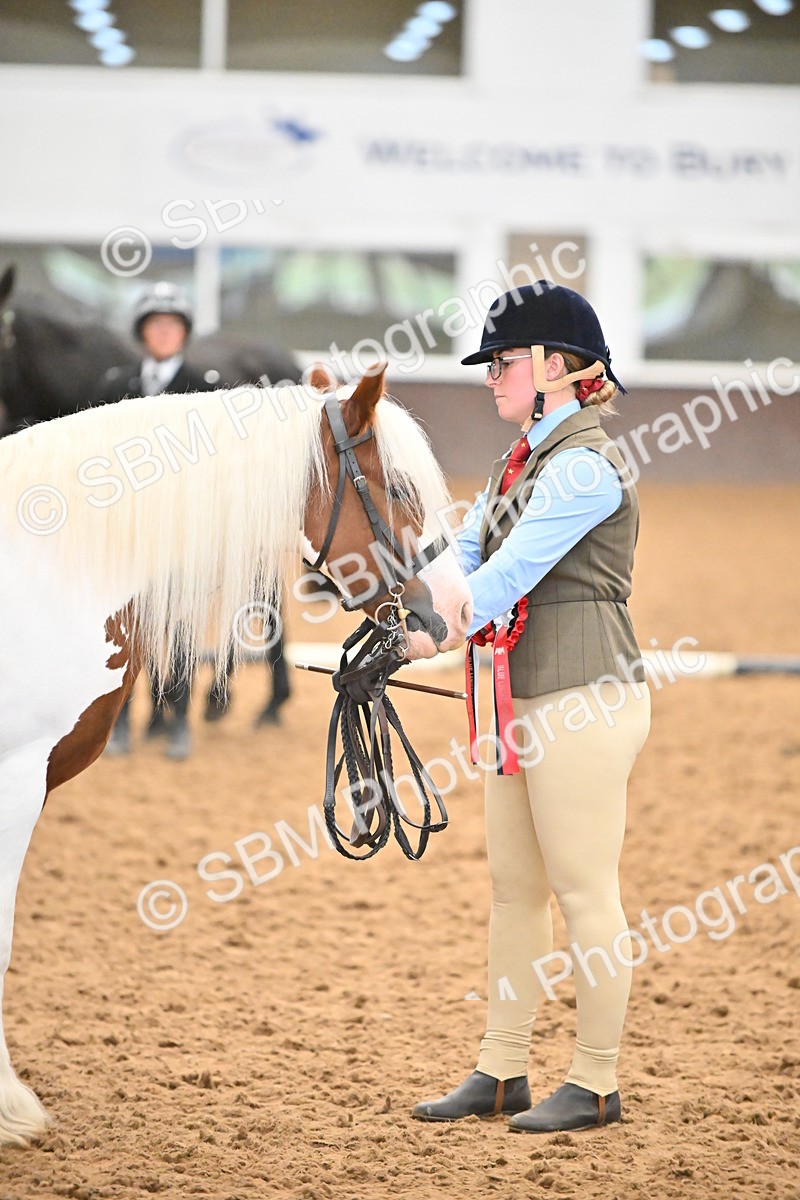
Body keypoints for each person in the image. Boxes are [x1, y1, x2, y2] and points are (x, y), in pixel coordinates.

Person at [412, 281, 651, 1134]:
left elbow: (506, 577)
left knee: (586, 894)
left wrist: (429, 636)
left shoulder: (583, 468)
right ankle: (501, 1069)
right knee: (514, 892)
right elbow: (462, 552)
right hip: (521, 701)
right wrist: (396, 608)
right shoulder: (519, 463)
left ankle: (594, 1081)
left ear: (557, 367)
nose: (490, 377)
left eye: (504, 362)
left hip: (583, 699)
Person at [100, 282, 217, 761]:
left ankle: (176, 721)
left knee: (180, 630)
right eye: (156, 325)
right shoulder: (115, 384)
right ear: (143, 332)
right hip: (128, 529)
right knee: (124, 629)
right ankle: (121, 720)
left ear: (184, 333)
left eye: (172, 325)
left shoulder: (205, 387)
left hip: (180, 529)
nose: (164, 333)